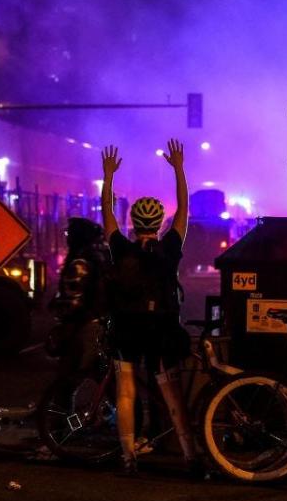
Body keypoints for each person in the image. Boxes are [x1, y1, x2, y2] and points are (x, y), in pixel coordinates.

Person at [101, 139, 197, 477]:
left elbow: (107, 214)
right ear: (159, 222)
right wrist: (179, 170)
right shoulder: (170, 248)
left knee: (126, 392)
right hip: (162, 329)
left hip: (126, 328)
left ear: (133, 222)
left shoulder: (121, 249)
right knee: (171, 394)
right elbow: (184, 211)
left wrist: (108, 176)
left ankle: (128, 456)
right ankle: (190, 455)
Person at [46, 217, 109, 378]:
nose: (66, 237)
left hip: (85, 327)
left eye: (69, 234)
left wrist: (59, 309)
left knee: (67, 382)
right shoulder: (97, 256)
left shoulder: (80, 263)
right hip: (98, 323)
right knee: (100, 377)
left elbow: (75, 300)